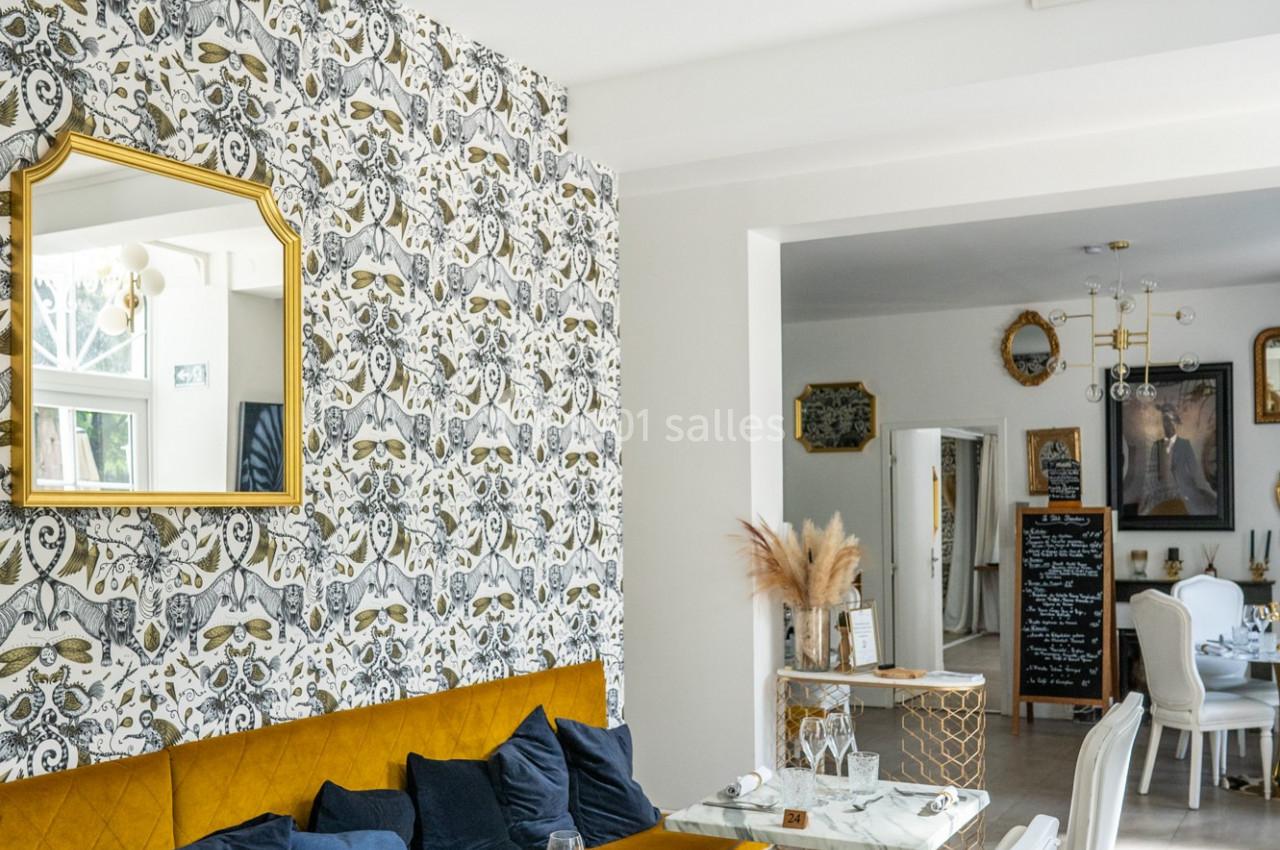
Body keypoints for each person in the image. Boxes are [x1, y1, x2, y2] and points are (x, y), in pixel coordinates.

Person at [1138, 404, 1217, 516]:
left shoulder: (1185, 444)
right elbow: (1151, 473)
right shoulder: (1156, 446)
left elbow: (1194, 470)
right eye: (1165, 421)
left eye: (1171, 421)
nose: (1168, 424)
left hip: (1185, 490)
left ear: (1176, 423)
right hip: (1162, 491)